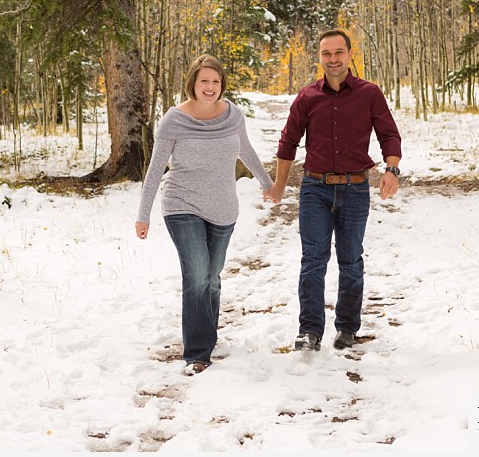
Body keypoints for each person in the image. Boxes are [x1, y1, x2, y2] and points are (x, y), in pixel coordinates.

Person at [136, 54, 276, 375]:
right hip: (181, 205)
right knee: (197, 275)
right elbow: (156, 169)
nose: (210, 87)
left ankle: (207, 334)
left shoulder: (233, 116)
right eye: (204, 81)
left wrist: (267, 183)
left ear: (221, 84)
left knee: (211, 280)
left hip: (224, 209)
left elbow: (247, 150)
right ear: (193, 84)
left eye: (215, 81)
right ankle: (198, 353)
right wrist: (143, 214)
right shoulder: (173, 120)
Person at [267, 30, 402, 352]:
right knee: (313, 259)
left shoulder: (370, 94)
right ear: (319, 57)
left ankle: (347, 328)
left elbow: (388, 135)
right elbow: (287, 142)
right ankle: (309, 330)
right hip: (315, 188)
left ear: (350, 54)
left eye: (338, 52)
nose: (333, 59)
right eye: (326, 53)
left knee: (351, 260)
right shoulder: (307, 96)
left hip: (356, 188)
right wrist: (279, 185)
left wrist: (391, 169)